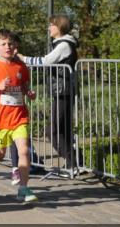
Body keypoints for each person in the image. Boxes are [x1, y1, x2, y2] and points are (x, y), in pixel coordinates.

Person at [0, 30, 38, 201]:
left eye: (10, 43)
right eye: (3, 44)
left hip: (19, 117)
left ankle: (23, 188)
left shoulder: (21, 66)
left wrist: (29, 92)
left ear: (15, 46)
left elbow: (23, 85)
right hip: (0, 118)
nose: (8, 47)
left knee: (24, 151)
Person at [20, 15, 78, 168]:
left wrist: (24, 58)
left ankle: (74, 163)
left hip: (63, 90)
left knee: (53, 130)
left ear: (60, 27)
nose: (49, 28)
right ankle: (74, 162)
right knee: (61, 129)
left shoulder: (64, 45)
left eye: (52, 25)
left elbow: (46, 61)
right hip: (61, 90)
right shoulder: (61, 43)